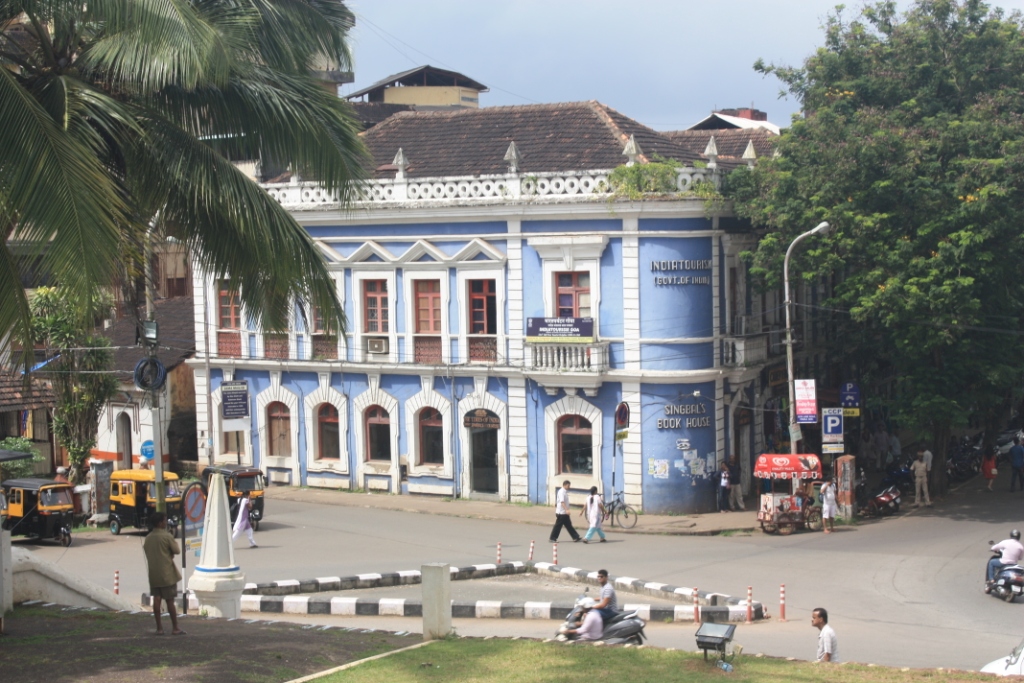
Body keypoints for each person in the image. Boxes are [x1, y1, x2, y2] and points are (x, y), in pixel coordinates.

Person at [142, 512, 185, 635]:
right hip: (167, 574)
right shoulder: (167, 536)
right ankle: (175, 627)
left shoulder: (148, 538)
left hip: (154, 574)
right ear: (161, 523)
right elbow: (177, 550)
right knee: (170, 600)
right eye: (165, 520)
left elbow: (147, 551)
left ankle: (159, 628)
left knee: (157, 599)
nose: (166, 522)